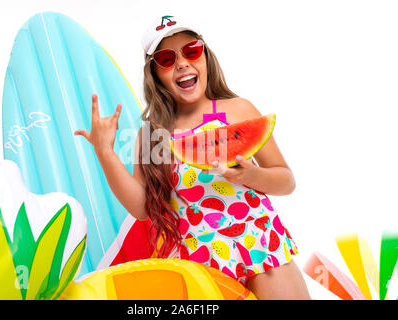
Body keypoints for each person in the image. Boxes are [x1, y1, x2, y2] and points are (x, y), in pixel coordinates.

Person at [74, 15, 311, 300]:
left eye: (191, 51)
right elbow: (141, 208)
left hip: (261, 246)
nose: (182, 63)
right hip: (201, 264)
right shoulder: (152, 134)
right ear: (155, 73)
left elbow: (286, 180)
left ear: (205, 56)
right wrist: (105, 153)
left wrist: (249, 175)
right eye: (166, 58)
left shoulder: (239, 109)